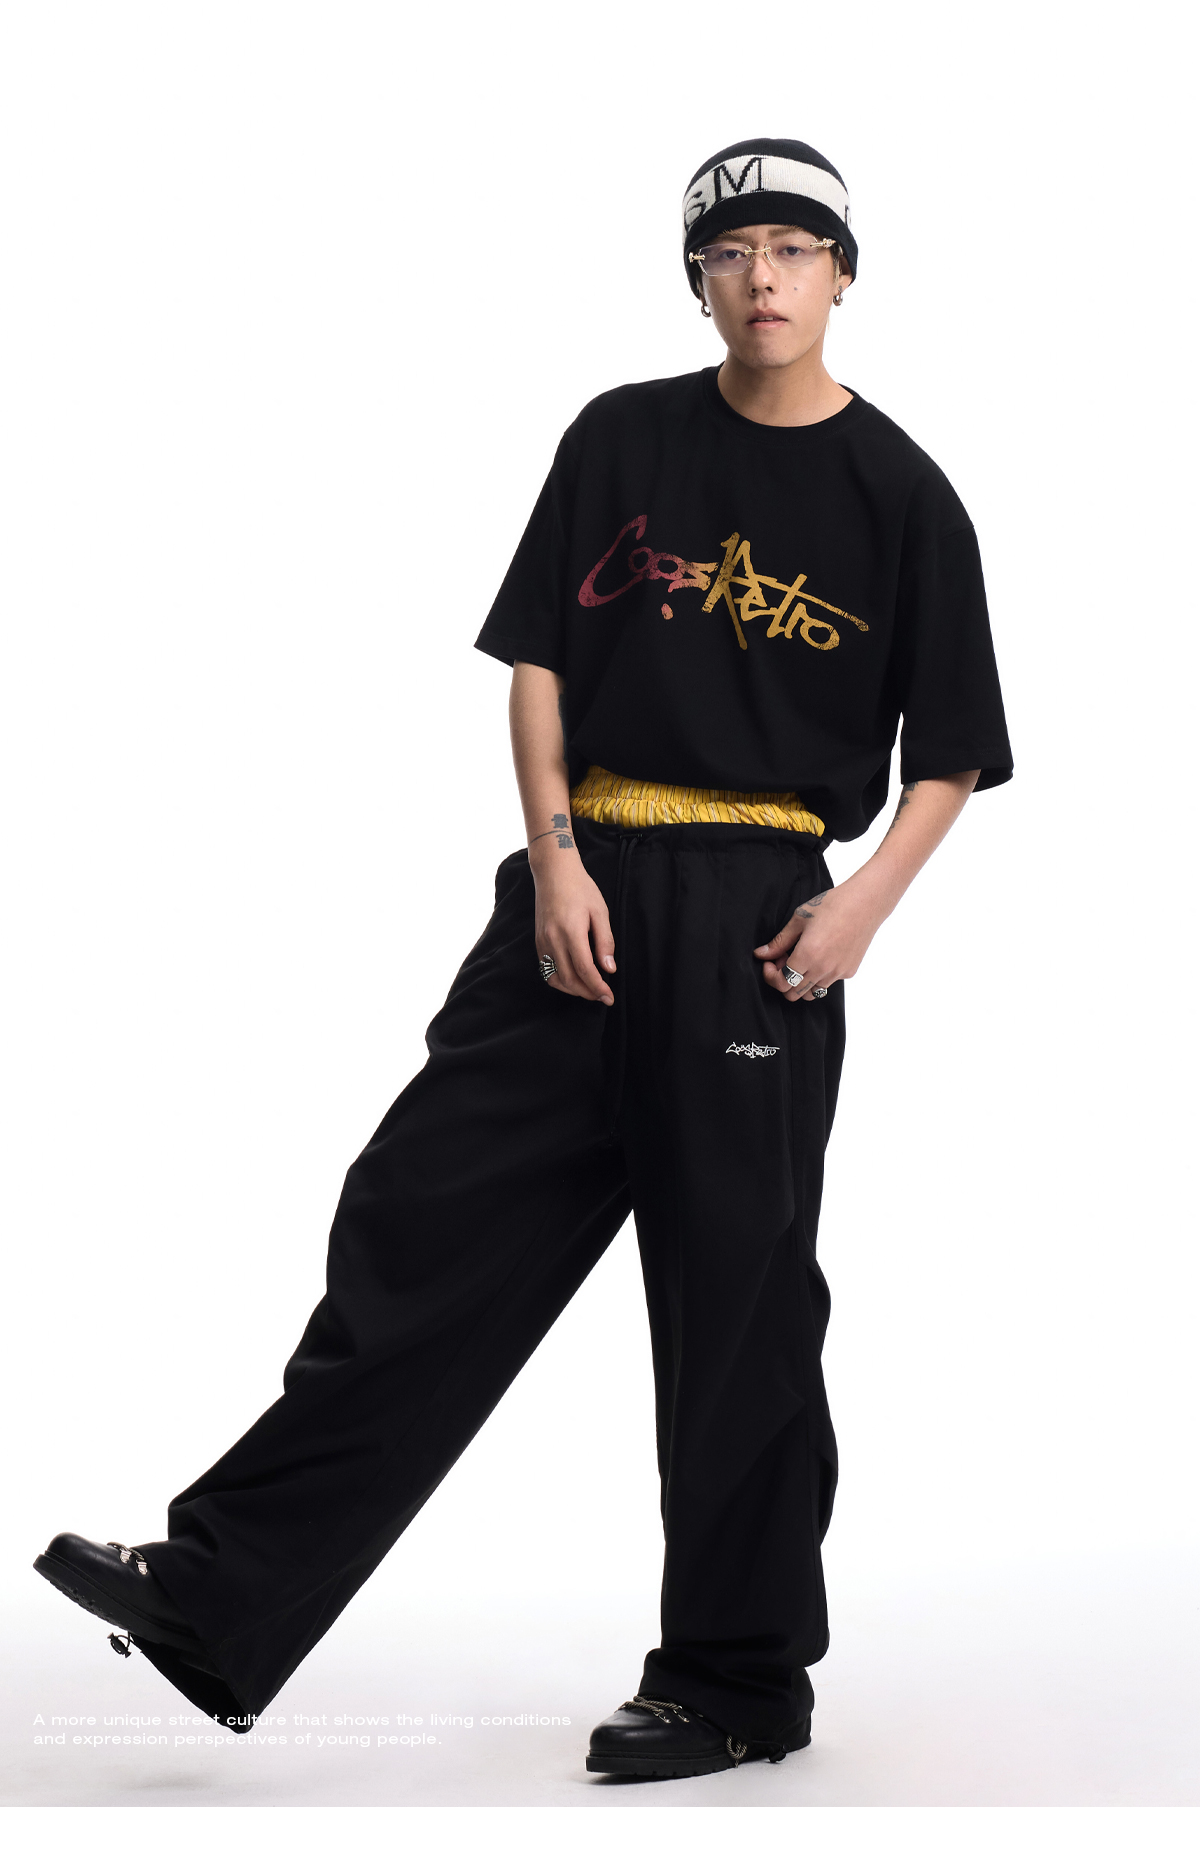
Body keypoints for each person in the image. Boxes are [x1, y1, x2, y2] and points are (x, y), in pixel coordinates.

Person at [34, 136, 1012, 1783]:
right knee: (421, 1223)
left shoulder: (901, 492)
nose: (763, 279)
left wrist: (860, 907)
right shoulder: (621, 436)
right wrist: (556, 859)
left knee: (738, 1303)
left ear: (846, 275)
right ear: (696, 281)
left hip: (759, 921)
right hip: (577, 891)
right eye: (731, 254)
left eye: (793, 250)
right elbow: (541, 662)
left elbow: (957, 750)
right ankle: (219, 1599)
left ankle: (737, 1683)